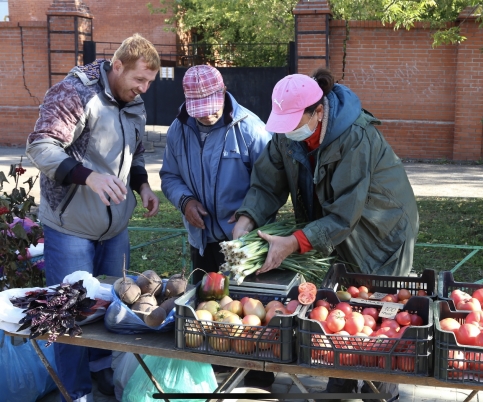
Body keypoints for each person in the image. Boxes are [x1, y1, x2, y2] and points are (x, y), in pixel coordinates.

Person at [232, 68, 419, 399]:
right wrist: (247, 219)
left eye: (294, 123)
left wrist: (294, 242)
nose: (287, 131)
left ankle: (380, 388)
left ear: (318, 112)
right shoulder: (287, 132)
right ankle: (341, 380)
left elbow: (345, 214)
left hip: (382, 229)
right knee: (343, 305)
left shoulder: (355, 138)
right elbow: (266, 182)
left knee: (377, 310)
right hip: (337, 225)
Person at [26, 34, 161, 401]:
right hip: (71, 227)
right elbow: (40, 145)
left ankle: (102, 372)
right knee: (67, 314)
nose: (144, 89)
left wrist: (144, 186)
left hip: (115, 228)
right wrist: (89, 176)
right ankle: (75, 391)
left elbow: (137, 154)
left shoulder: (135, 102)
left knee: (114, 308)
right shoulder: (74, 92)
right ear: (117, 66)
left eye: (150, 82)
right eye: (139, 80)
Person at [159, 64, 273, 388]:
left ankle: (259, 379)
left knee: (251, 318)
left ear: (223, 93)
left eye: (211, 110)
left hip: (244, 246)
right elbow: (169, 176)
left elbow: (270, 185)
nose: (206, 117)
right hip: (203, 242)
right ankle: (212, 376)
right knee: (209, 316)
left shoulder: (251, 128)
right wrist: (185, 202)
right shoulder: (177, 130)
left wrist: (249, 215)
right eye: (199, 112)